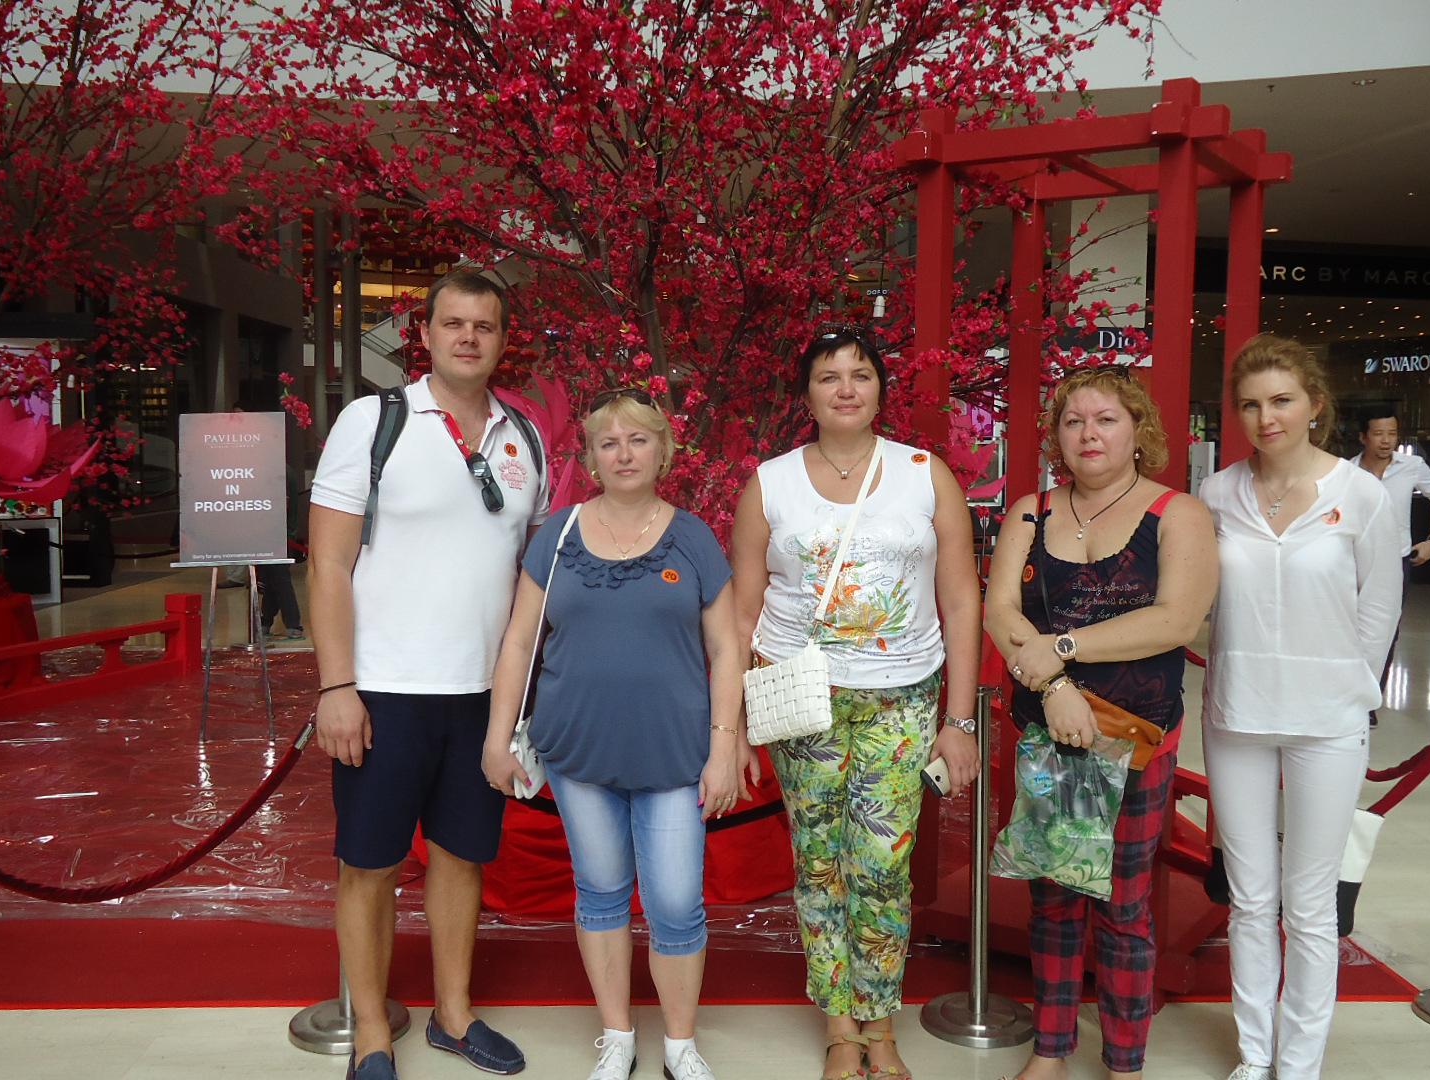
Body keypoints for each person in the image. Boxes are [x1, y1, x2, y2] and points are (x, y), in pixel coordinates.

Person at [731, 324, 983, 1080]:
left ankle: (880, 1022)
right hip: (802, 696)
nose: (846, 388)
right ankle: (840, 1026)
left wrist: (960, 720)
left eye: (861, 374)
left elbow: (961, 600)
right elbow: (743, 611)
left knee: (881, 862)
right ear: (807, 395)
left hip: (902, 697)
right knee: (818, 862)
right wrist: (733, 722)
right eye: (829, 376)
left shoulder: (924, 474)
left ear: (879, 389)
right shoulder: (771, 483)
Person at [307, 272, 542, 1080]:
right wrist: (337, 686)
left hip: (481, 695)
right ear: (427, 334)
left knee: (460, 856)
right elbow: (327, 565)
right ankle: (373, 1032)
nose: (468, 337)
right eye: (453, 323)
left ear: (502, 340)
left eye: (485, 325)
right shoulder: (375, 421)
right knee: (369, 864)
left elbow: (523, 571)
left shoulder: (522, 436)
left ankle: (453, 1013)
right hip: (383, 689)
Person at [483, 388, 749, 1080]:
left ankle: (680, 1045)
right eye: (609, 442)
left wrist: (725, 746)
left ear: (664, 452)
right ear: (592, 459)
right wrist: (496, 736)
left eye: (638, 439)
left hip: (674, 754)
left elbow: (727, 648)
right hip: (579, 752)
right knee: (600, 892)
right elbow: (519, 642)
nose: (624, 453)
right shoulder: (559, 535)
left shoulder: (692, 537)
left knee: (675, 902)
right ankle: (617, 1035)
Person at [984, 365, 1219, 1080]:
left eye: (1106, 419)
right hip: (1046, 733)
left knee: (1123, 905)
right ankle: (1051, 1050)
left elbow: (1175, 621)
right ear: (1056, 435)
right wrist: (1056, 686)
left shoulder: (1176, 513)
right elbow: (1000, 611)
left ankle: (1125, 1062)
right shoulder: (1031, 511)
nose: (1089, 434)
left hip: (1135, 736)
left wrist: (1059, 649)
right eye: (1074, 420)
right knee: (1052, 896)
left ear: (1138, 429)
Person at [1198, 334, 1401, 1080]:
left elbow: (1379, 610)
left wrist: (1352, 691)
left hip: (1329, 722)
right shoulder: (1217, 494)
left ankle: (1300, 1064)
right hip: (1237, 713)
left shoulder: (1363, 494)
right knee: (1251, 900)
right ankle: (1256, 1057)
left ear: (1315, 404)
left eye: (1282, 401)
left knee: (1311, 906)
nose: (1267, 418)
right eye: (1251, 405)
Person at [1351, 405, 1430, 723]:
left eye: (1392, 434)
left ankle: (1369, 701)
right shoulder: (1347, 472)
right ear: (1363, 437)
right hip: (1351, 561)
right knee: (1349, 628)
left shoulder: (1412, 466)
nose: (1386, 441)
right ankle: (1346, 695)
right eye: (1378, 434)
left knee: (1386, 630)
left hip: (1395, 562)